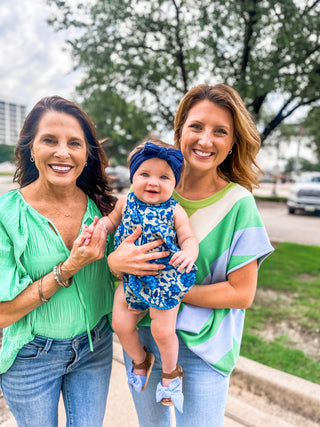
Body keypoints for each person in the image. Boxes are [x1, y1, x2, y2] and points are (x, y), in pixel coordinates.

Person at [107, 83, 274, 426]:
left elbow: (241, 294)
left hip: (203, 350)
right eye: (196, 126)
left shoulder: (239, 205)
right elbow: (114, 260)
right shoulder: (150, 188)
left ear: (231, 144)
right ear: (180, 129)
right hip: (143, 335)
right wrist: (114, 263)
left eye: (220, 132)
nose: (205, 139)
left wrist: (169, 291)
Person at [0, 96, 167, 427]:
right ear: (31, 148)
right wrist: (69, 267)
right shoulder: (7, 214)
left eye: (74, 143)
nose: (63, 152)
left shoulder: (106, 206)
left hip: (95, 347)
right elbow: (3, 313)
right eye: (50, 140)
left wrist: (119, 266)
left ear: (86, 153)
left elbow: (135, 271)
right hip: (31, 357)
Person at [82, 140, 198, 413]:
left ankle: (171, 374)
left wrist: (189, 254)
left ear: (174, 183)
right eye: (144, 174)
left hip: (163, 280)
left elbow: (188, 238)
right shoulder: (125, 202)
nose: (153, 182)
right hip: (130, 280)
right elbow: (110, 223)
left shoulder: (175, 210)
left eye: (164, 177)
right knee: (120, 324)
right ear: (132, 176)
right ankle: (140, 358)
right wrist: (98, 230)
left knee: (162, 330)